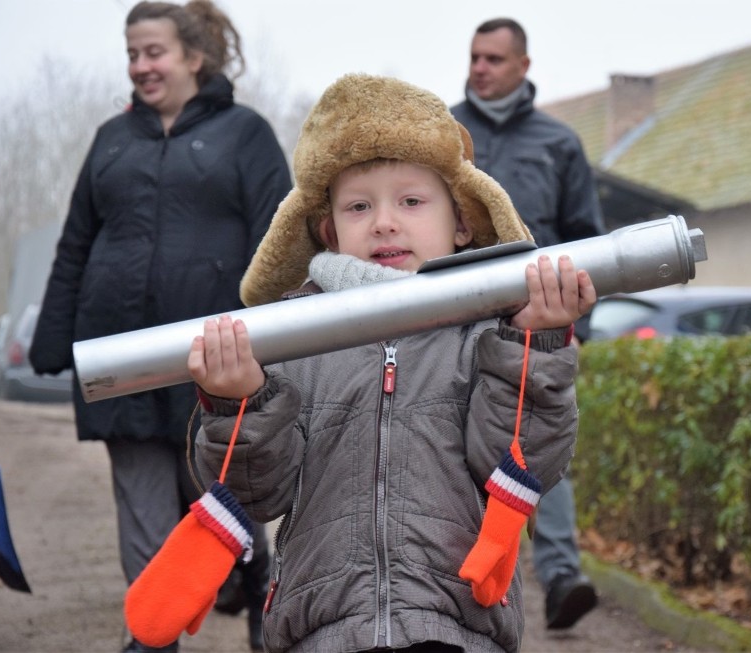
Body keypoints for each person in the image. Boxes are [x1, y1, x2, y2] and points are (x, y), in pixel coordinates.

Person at [186, 74, 596, 653]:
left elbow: (519, 465)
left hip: (457, 626)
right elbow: (257, 494)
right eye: (359, 206)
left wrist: (535, 347)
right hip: (323, 629)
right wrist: (239, 403)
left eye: (410, 201)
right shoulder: (289, 337)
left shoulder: (491, 331)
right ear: (329, 231)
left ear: (461, 222)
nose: (383, 221)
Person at [28, 2, 291, 651]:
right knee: (142, 509)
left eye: (154, 52)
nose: (142, 67)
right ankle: (151, 637)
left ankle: (255, 575)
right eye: (133, 54)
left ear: (193, 57)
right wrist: (54, 331)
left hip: (215, 354)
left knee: (212, 496)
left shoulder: (245, 133)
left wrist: (283, 333)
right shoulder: (111, 139)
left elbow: (278, 240)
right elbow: (77, 240)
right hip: (120, 351)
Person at [451, 18, 606, 632]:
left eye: (493, 58)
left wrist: (571, 325)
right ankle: (469, 577)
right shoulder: (445, 136)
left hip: (533, 323)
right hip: (452, 325)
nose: (480, 67)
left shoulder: (558, 143)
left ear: (523, 65)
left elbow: (587, 239)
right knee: (458, 451)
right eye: (474, 57)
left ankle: (561, 575)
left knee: (531, 449)